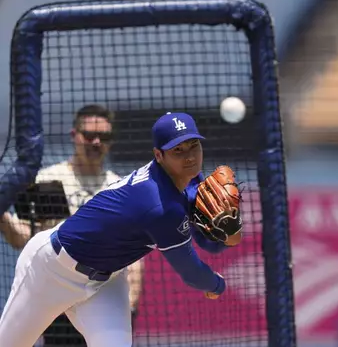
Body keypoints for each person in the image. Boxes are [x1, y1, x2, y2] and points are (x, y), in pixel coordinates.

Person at [0, 111, 239, 347]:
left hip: (107, 281)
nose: (189, 157)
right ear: (159, 155)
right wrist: (217, 284)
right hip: (51, 271)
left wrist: (224, 235)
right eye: (178, 150)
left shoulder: (189, 179)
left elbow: (207, 242)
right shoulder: (159, 205)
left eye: (193, 145)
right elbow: (191, 272)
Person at [0, 104, 144, 346]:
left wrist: (129, 304)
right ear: (74, 135)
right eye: (89, 135)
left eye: (104, 137)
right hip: (57, 293)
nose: (96, 142)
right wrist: (3, 216)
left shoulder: (120, 187)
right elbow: (24, 239)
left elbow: (134, 259)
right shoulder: (47, 180)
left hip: (102, 295)